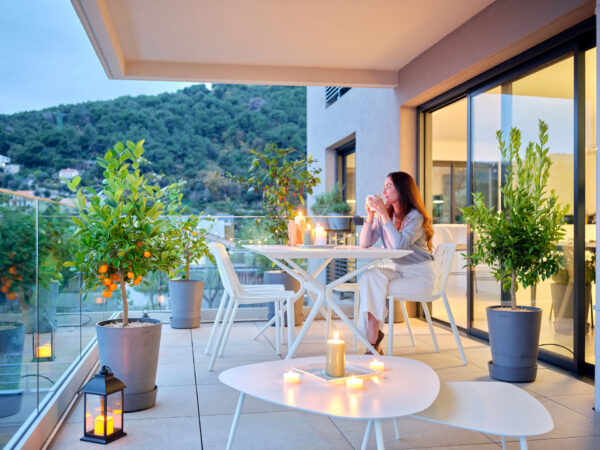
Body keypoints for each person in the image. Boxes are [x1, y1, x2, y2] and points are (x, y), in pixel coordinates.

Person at [358, 171, 434, 354]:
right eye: (384, 187)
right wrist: (370, 216)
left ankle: (372, 343)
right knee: (369, 277)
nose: (383, 191)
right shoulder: (388, 214)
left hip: (420, 276)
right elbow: (365, 243)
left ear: (401, 189)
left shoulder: (415, 216)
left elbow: (399, 245)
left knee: (375, 288)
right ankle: (373, 338)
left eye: (388, 186)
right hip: (399, 271)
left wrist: (383, 215)